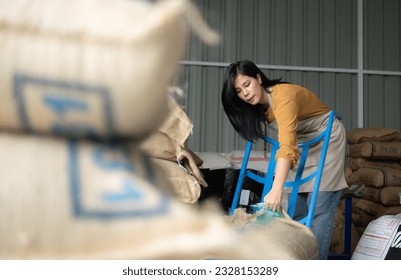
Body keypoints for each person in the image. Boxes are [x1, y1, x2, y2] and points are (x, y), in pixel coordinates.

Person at [221, 59, 349, 260]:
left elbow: (286, 145)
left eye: (247, 85)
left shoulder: (283, 97)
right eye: (238, 91)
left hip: (326, 139)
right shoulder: (259, 107)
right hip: (302, 143)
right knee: (295, 210)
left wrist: (277, 187)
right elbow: (288, 142)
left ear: (258, 78)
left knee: (319, 209)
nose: (245, 93)